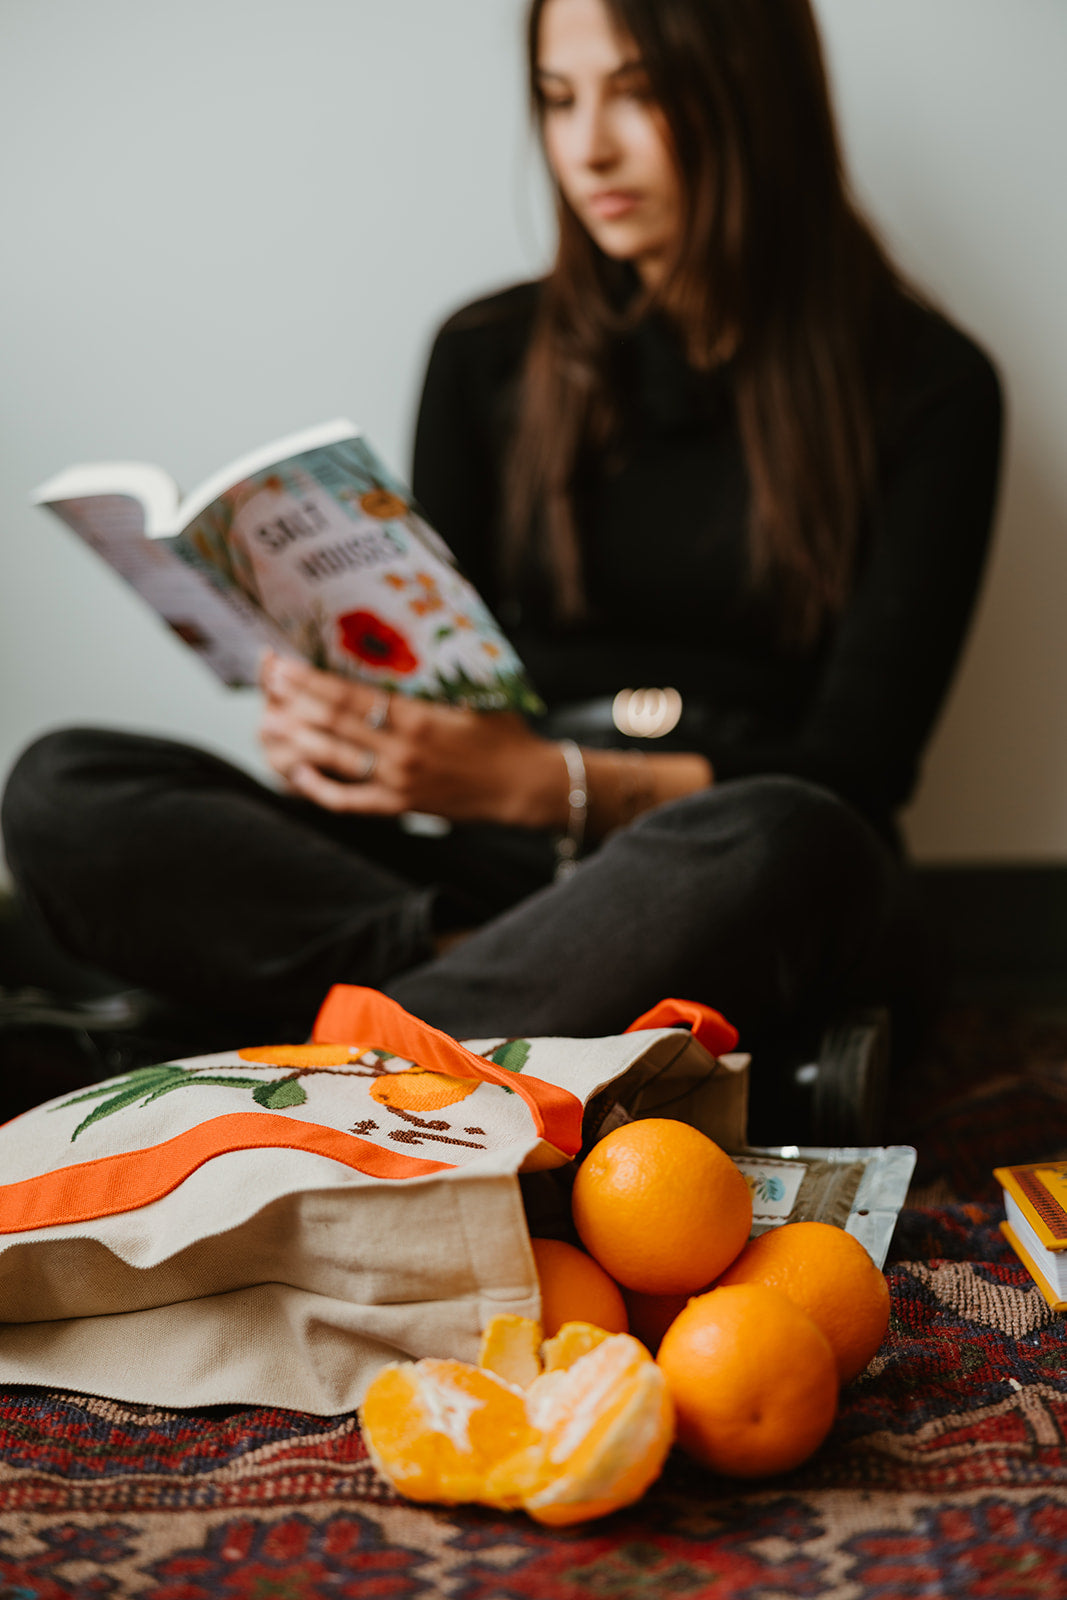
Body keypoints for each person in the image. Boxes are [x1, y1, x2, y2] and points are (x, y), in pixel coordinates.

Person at [2, 0, 1001, 1119]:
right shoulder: (485, 356)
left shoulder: (931, 388)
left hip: (708, 870)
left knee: (791, 835)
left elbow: (854, 770)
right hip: (475, 886)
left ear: (755, 98)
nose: (588, 148)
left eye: (637, 90)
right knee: (64, 787)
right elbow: (435, 668)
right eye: (558, 98)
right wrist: (350, 733)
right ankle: (522, 1035)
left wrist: (541, 783)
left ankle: (293, 1066)